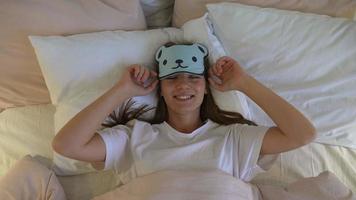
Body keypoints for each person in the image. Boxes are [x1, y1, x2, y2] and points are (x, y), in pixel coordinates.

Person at [52, 42, 316, 185]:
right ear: (161, 89)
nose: (183, 85)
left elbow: (303, 134)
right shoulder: (134, 136)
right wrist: (122, 90)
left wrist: (244, 83)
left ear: (206, 87)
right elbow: (66, 145)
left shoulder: (234, 138)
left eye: (193, 77)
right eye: (173, 78)